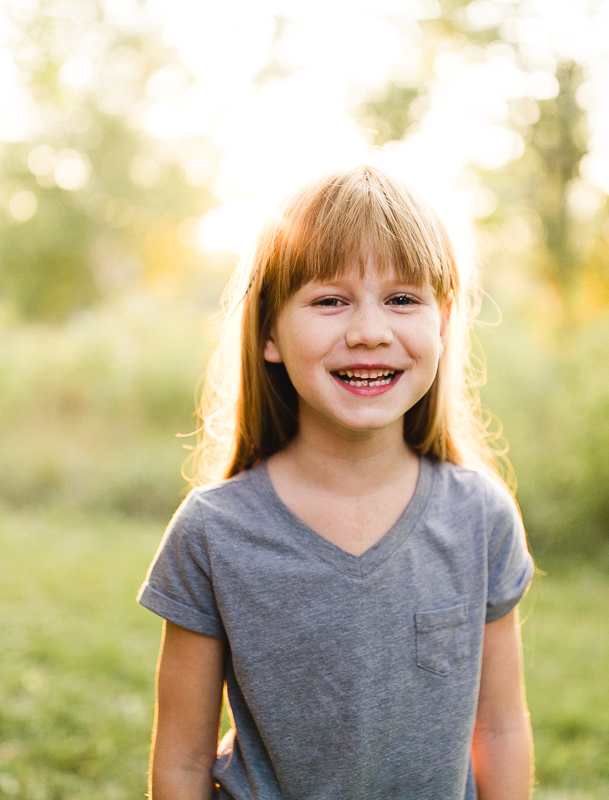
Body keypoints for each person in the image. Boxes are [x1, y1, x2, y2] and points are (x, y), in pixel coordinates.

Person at [138, 163, 536, 799]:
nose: (369, 332)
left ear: (442, 321)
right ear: (270, 330)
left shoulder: (478, 516)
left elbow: (501, 730)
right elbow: (183, 763)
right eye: (330, 300)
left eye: (403, 299)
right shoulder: (213, 533)